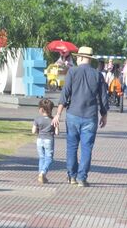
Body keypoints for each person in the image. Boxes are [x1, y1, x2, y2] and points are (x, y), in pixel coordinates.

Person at [52, 46, 108, 187]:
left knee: (71, 147)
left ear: (82, 58)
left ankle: (72, 176)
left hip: (73, 115)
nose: (76, 58)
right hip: (90, 116)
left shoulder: (72, 72)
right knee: (86, 148)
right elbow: (103, 97)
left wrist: (58, 113)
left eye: (78, 56)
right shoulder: (97, 75)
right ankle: (82, 178)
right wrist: (104, 115)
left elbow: (65, 94)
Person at [32, 99, 59, 184]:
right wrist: (57, 125)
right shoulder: (53, 119)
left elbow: (33, 131)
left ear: (41, 109)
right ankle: (43, 172)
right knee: (49, 158)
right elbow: (57, 133)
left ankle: (41, 175)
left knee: (42, 158)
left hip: (39, 139)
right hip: (49, 140)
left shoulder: (37, 119)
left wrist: (38, 131)